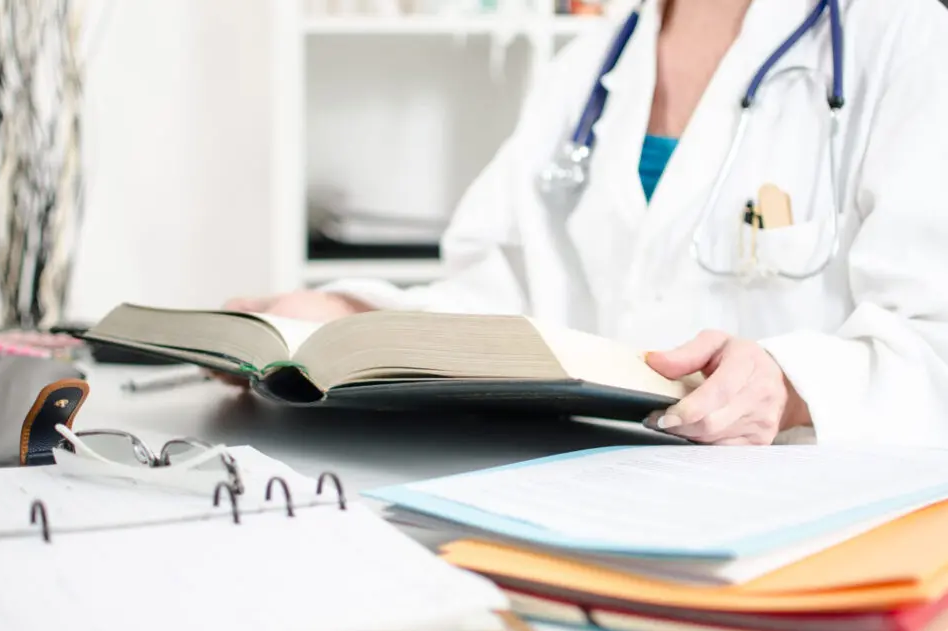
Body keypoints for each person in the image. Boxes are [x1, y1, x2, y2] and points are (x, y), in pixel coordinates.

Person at [226, 0, 948, 448]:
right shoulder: (586, 70)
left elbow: (933, 342)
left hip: (798, 524)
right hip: (582, 499)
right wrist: (345, 317)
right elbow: (502, 299)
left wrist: (786, 385)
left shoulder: (903, 38)